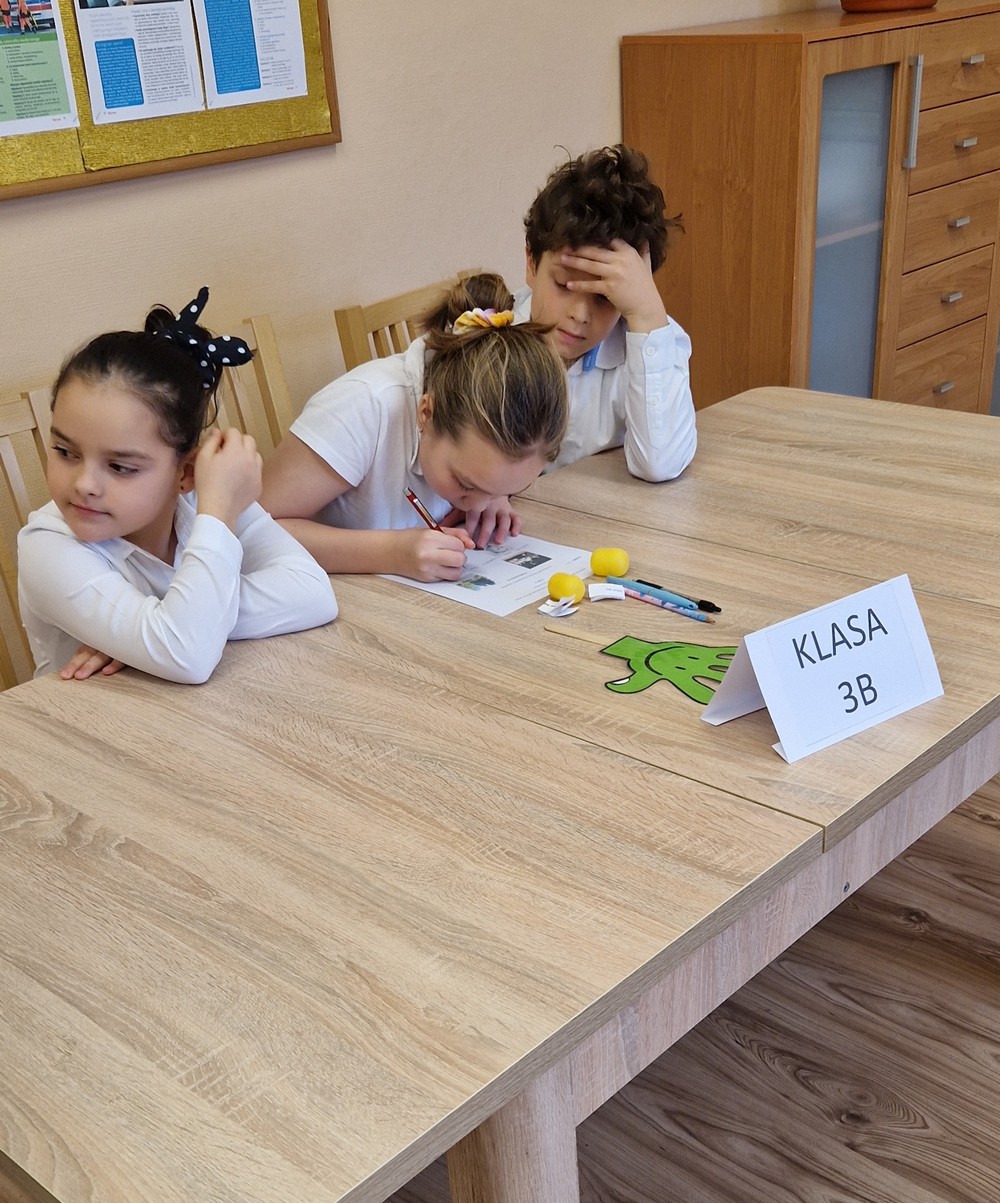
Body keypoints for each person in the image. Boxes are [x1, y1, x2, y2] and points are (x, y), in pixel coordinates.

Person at [18, 287, 338, 685]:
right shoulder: (45, 546)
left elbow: (314, 593)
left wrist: (161, 628)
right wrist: (172, 628)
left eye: (119, 466)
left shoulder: (209, 491)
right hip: (85, 720)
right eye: (65, 452)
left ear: (185, 472)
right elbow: (188, 653)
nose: (84, 484)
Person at [260, 274, 567, 580]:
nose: (478, 504)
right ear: (426, 413)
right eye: (466, 484)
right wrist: (392, 552)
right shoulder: (364, 406)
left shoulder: (474, 450)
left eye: (507, 489)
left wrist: (496, 495)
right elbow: (251, 530)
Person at [518, 143, 697, 483]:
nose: (580, 314)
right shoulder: (488, 336)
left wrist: (646, 313)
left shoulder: (650, 337)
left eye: (604, 297)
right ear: (531, 263)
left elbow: (661, 463)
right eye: (564, 285)